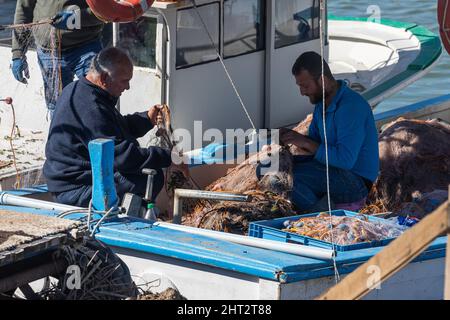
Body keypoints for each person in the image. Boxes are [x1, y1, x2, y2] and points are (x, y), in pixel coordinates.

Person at [43, 47, 188, 207]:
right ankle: (130, 223)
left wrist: (146, 119)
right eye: (124, 81)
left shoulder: (81, 90)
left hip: (74, 180)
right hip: (74, 188)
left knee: (147, 173)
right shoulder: (91, 107)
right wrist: (169, 157)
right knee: (149, 178)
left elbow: (113, 129)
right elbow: (122, 157)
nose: (127, 87)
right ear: (104, 78)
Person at [280, 51, 379, 212]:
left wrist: (305, 142)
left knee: (286, 181)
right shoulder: (322, 104)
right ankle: (315, 206)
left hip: (355, 181)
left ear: (323, 81)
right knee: (267, 168)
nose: (302, 92)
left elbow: (345, 160)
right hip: (330, 169)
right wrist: (292, 138)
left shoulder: (351, 107)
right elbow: (314, 144)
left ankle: (318, 216)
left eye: (305, 86)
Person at [11, 0, 105, 118]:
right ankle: (64, 136)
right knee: (57, 107)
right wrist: (17, 53)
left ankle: (101, 134)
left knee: (99, 100)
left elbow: (108, 12)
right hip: (48, 53)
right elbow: (23, 11)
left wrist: (78, 18)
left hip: (87, 46)